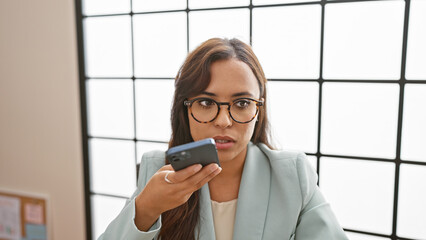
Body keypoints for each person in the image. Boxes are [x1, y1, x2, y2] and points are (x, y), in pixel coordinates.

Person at [98, 38, 348, 240]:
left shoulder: (292, 174)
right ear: (185, 109)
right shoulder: (157, 169)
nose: (224, 121)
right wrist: (146, 209)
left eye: (241, 103)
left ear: (258, 110)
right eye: (206, 103)